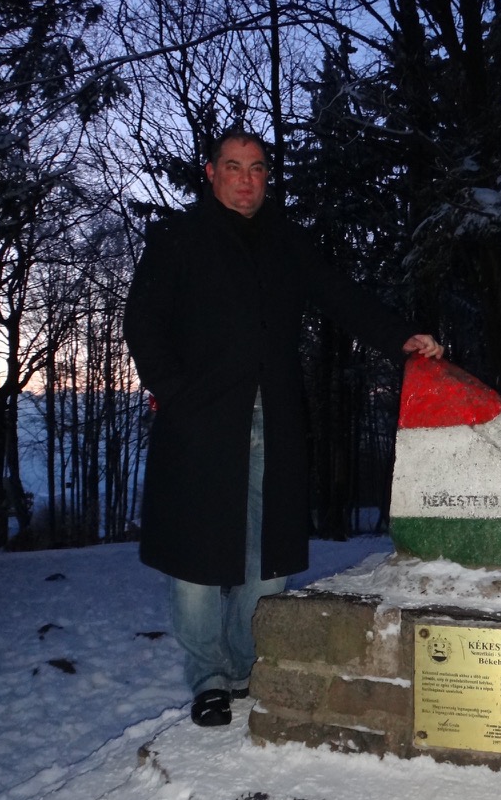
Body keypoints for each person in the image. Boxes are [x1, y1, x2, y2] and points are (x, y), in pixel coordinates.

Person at [124, 128, 443, 727]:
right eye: (233, 167)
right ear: (211, 172)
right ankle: (210, 677)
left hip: (275, 418)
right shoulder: (178, 238)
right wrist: (176, 393)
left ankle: (248, 665)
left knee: (267, 553)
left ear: (267, 177)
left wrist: (399, 336)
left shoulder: (286, 242)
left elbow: (341, 297)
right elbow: (143, 322)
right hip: (201, 422)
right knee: (195, 560)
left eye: (257, 169)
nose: (246, 180)